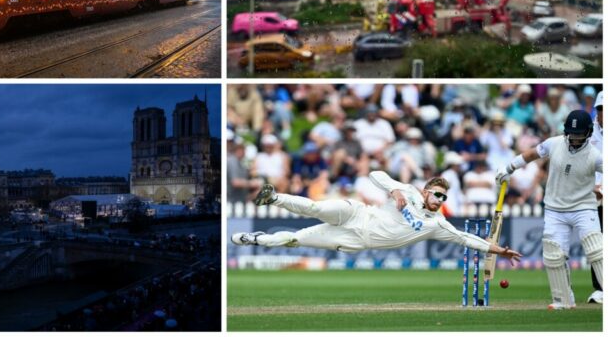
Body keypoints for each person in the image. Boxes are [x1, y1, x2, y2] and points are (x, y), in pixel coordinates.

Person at [231, 171, 522, 264]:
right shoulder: (407, 191)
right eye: (436, 194)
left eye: (443, 197)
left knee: (294, 240)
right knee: (318, 208)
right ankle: (274, 197)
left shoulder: (437, 224)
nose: (438, 200)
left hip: (355, 239)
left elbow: (466, 238)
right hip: (357, 213)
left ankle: (256, 239)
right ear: (426, 191)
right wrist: (394, 190)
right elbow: (375, 174)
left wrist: (498, 250)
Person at [496, 109, 602, 309]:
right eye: (572, 135)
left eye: (579, 135)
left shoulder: (595, 156)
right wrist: (509, 167)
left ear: (588, 133)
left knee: (597, 249)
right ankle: (563, 300)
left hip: (584, 208)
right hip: (555, 208)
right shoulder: (553, 143)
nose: (575, 139)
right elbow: (531, 154)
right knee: (553, 255)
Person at [588, 91, 603, 304]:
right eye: (601, 110)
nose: (603, 114)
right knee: (595, 243)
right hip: (594, 195)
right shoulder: (588, 130)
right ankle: (600, 288)